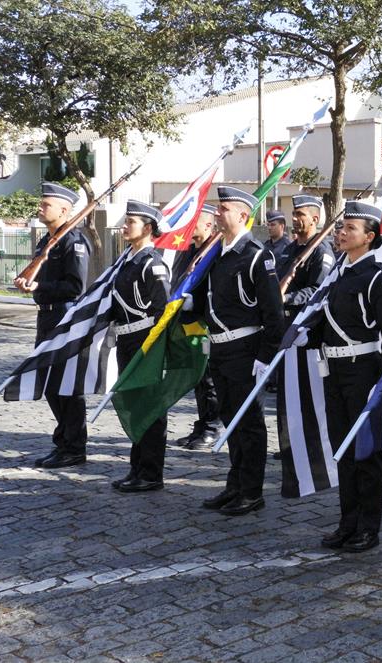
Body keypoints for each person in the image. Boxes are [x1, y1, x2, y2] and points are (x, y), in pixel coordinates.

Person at [307, 201, 382, 552]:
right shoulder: (338, 275)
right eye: (341, 228)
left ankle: (368, 527)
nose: (341, 233)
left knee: (365, 453)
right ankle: (348, 522)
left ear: (369, 237)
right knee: (344, 451)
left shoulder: (378, 277)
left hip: (363, 370)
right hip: (334, 371)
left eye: (350, 228)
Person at [186, 186, 285, 515]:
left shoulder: (256, 255)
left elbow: (274, 313)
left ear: (243, 215)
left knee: (249, 423)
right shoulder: (216, 254)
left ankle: (252, 491)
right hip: (219, 349)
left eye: (223, 208)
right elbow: (205, 302)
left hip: (245, 348)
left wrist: (265, 357)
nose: (216, 212)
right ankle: (235, 484)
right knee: (230, 419)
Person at [16, 182, 90, 469]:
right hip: (45, 316)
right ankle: (64, 441)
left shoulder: (73, 242)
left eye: (45, 204)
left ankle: (74, 447)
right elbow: (42, 281)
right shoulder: (45, 241)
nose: (40, 208)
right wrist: (30, 285)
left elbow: (75, 286)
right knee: (49, 384)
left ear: (64, 209)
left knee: (66, 385)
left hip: (64, 317)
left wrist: (40, 285)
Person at [108, 201, 172, 492]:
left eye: (130, 222)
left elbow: (163, 310)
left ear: (147, 229)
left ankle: (151, 472)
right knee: (135, 407)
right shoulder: (127, 260)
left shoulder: (152, 263)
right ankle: (137, 468)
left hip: (145, 342)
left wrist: (154, 350)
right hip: (126, 340)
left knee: (150, 408)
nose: (124, 225)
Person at [173, 205, 223, 450]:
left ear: (208, 225)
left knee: (210, 378)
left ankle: (213, 426)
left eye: (196, 224)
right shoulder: (189, 250)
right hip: (188, 322)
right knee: (199, 378)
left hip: (206, 322)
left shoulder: (215, 251)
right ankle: (202, 423)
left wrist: (196, 303)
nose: (191, 228)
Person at [282, 194, 335, 325]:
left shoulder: (321, 251)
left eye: (300, 214)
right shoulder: (289, 249)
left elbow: (318, 290)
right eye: (294, 213)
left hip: (303, 325)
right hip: (282, 321)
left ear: (314, 219)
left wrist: (286, 298)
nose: (294, 218)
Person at [263, 209, 292, 279]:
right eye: (268, 225)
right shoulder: (265, 246)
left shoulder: (289, 247)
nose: (269, 228)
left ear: (282, 226)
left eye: (273, 225)